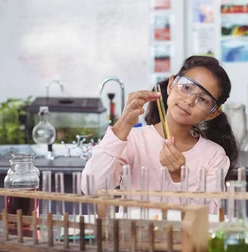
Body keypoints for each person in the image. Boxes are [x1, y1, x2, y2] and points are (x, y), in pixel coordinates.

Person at [81, 56, 238, 213]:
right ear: (171, 84)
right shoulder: (134, 139)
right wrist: (122, 125)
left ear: (212, 113)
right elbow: (91, 188)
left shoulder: (214, 155)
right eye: (186, 88)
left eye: (203, 99)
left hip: (184, 237)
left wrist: (179, 177)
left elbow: (208, 215)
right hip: (134, 235)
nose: (190, 101)